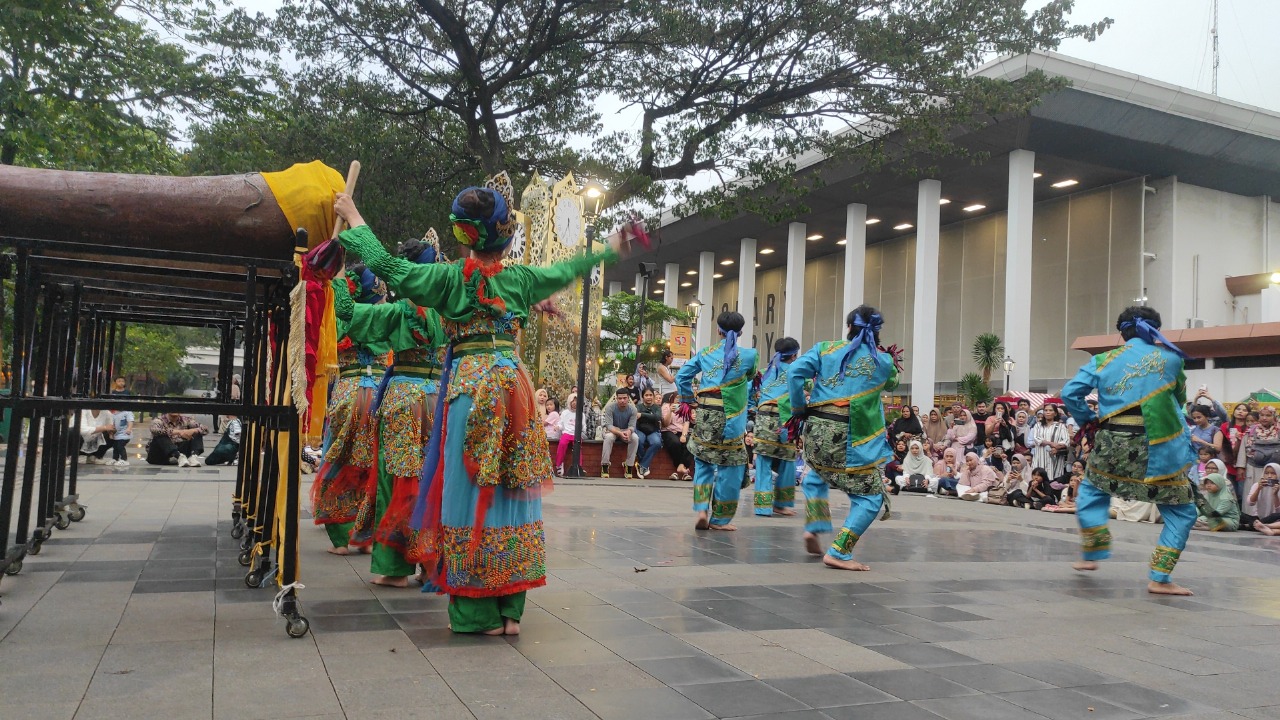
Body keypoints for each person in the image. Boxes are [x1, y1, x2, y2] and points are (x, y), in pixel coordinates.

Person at [335, 176, 621, 634]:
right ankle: (510, 610)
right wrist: (607, 249)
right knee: (514, 486)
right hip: (515, 387)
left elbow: (389, 266)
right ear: (506, 236)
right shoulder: (521, 278)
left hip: (470, 389)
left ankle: (477, 611)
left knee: (468, 489)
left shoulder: (448, 280)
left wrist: (352, 215)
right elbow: (566, 270)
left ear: (463, 235)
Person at [1061, 305, 1200, 596]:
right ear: (1155, 331)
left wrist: (1087, 420)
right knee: (1182, 512)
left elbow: (1070, 393)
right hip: (1159, 449)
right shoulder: (1172, 359)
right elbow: (1179, 400)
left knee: (1092, 491)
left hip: (1112, 444)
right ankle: (1160, 577)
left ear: (1122, 333)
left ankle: (1092, 553)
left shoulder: (1103, 359)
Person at [789, 305, 897, 570]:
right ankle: (839, 551)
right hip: (851, 437)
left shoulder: (825, 349)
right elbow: (892, 383)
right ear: (878, 332)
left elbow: (794, 373)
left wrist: (799, 409)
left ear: (849, 327)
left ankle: (814, 526)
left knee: (817, 475)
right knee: (871, 497)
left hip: (815, 433)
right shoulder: (884, 362)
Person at [311, 262, 391, 556]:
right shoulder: (386, 317)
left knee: (339, 459)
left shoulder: (343, 316)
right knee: (371, 464)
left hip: (349, 390)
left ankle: (341, 539)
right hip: (381, 391)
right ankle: (366, 537)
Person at [676, 310, 759, 531]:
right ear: (741, 332)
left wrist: (688, 399)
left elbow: (682, 376)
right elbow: (750, 377)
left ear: (718, 330)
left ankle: (701, 510)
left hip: (706, 413)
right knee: (730, 466)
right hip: (733, 417)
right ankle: (720, 520)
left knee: (703, 462)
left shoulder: (705, 353)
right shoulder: (750, 355)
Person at [748, 336, 801, 517]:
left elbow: (749, 389)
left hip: (763, 419)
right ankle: (781, 504)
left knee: (763, 462)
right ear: (794, 355)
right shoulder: (796, 371)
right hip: (785, 420)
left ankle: (762, 507)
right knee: (788, 461)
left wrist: (752, 407)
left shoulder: (765, 372)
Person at [1239, 405, 1280, 517]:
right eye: (1262, 415)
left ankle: (1272, 518)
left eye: (1268, 415)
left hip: (1275, 470)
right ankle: (1251, 518)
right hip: (1253, 468)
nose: (1264, 418)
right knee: (1254, 491)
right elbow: (1243, 448)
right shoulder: (1252, 430)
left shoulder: (1279, 430)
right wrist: (1240, 467)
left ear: (1274, 416)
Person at [600, 387, 641, 478]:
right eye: (620, 398)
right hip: (612, 430)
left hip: (625, 430)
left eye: (624, 398)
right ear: (616, 398)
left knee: (635, 438)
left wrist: (629, 432)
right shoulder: (610, 407)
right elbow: (609, 425)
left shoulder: (633, 409)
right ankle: (605, 465)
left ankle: (629, 465)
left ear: (628, 398)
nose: (622, 400)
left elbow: (632, 426)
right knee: (609, 437)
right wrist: (619, 433)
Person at [1194, 459, 1239, 531]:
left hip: (1228, 520)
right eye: (1207, 483)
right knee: (1194, 520)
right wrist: (1193, 516)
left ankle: (1202, 525)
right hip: (1210, 518)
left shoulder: (1226, 498)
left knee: (1213, 521)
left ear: (1219, 483)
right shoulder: (1208, 495)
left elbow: (1217, 513)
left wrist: (1202, 518)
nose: (1208, 485)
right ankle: (1203, 525)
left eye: (1212, 483)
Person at [660, 391, 694, 480]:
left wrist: (684, 435)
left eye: (681, 398)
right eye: (677, 398)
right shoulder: (666, 406)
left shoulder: (685, 408)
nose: (679, 400)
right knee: (675, 443)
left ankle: (681, 467)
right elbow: (665, 424)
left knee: (690, 442)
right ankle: (682, 468)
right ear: (673, 398)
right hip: (668, 430)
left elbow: (686, 423)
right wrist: (670, 411)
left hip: (681, 431)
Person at [1031, 404, 1070, 479]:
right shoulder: (1038, 425)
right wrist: (1051, 443)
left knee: (1054, 479)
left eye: (1050, 410)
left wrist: (1057, 448)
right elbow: (1037, 439)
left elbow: (1066, 441)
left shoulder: (1061, 426)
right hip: (1040, 456)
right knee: (1038, 478)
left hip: (1055, 456)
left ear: (1055, 413)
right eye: (1046, 410)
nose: (1048, 412)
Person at [1221, 402, 1250, 500]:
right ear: (1233, 412)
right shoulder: (1225, 426)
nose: (1240, 412)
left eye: (1244, 410)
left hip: (1244, 465)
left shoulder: (1250, 428)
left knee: (1243, 494)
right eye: (1238, 409)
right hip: (1229, 464)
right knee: (1231, 493)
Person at [634, 388, 664, 478]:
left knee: (657, 443)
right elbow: (636, 416)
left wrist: (642, 415)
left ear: (653, 396)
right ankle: (644, 466)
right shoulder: (638, 407)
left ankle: (642, 465)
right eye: (646, 395)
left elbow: (657, 417)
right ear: (642, 397)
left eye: (650, 395)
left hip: (653, 431)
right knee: (638, 440)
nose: (649, 397)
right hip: (640, 430)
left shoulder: (657, 408)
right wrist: (650, 416)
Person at [1246, 463, 1280, 534]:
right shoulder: (1257, 485)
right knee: (1243, 516)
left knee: (1274, 516)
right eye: (1266, 473)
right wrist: (1258, 489)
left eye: (1273, 473)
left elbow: (1278, 511)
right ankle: (1260, 525)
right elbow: (1250, 503)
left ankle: (1259, 526)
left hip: (1275, 518)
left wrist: (1275, 494)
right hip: (1260, 517)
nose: (1269, 476)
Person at [552, 396, 578, 476]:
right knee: (562, 443)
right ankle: (559, 464)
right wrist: (558, 427)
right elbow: (561, 424)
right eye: (573, 401)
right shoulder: (565, 413)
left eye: (576, 401)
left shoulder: (581, 414)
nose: (574, 403)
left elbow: (583, 426)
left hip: (576, 433)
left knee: (578, 446)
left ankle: (578, 465)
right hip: (566, 432)